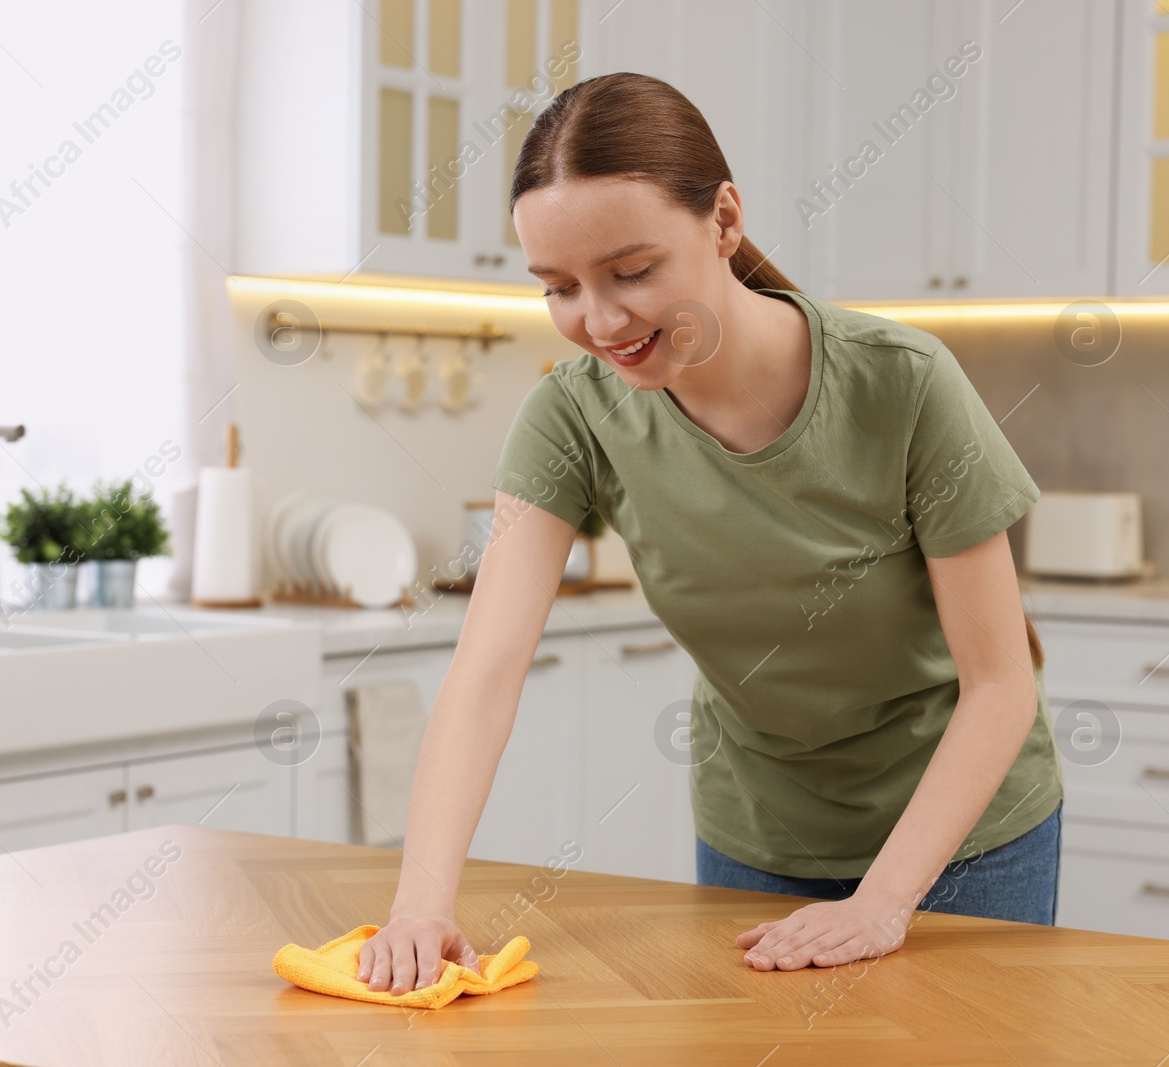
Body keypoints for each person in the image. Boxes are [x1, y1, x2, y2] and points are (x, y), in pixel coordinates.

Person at [357, 72, 1063, 995]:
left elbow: (1002, 683)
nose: (600, 320)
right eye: (559, 287)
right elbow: (485, 671)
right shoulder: (572, 417)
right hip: (758, 837)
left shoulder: (905, 383)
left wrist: (884, 901)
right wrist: (421, 901)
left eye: (632, 271)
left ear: (724, 221)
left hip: (969, 841)